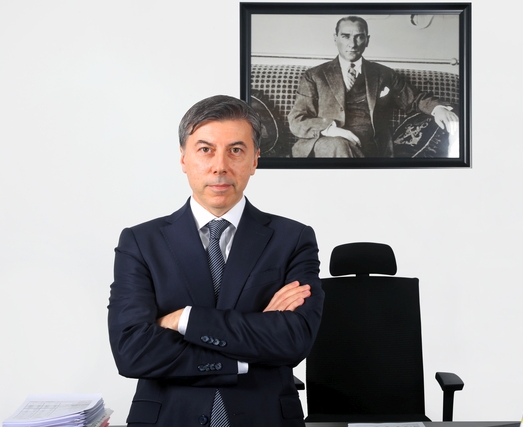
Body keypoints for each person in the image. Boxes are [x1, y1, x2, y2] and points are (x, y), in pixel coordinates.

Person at [108, 95, 324, 426]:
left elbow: (293, 341)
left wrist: (184, 320)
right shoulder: (140, 242)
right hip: (168, 418)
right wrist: (249, 345)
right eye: (205, 149)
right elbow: (132, 352)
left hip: (266, 418)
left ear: (255, 159)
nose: (220, 166)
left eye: (235, 150)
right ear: (184, 158)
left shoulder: (292, 239)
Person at [288, 15, 459, 158]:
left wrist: (438, 109)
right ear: (335, 38)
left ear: (367, 40)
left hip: (370, 147)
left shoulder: (384, 74)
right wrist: (333, 130)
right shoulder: (315, 75)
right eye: (345, 36)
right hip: (327, 144)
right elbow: (297, 120)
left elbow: (414, 99)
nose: (352, 43)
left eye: (359, 36)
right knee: (337, 145)